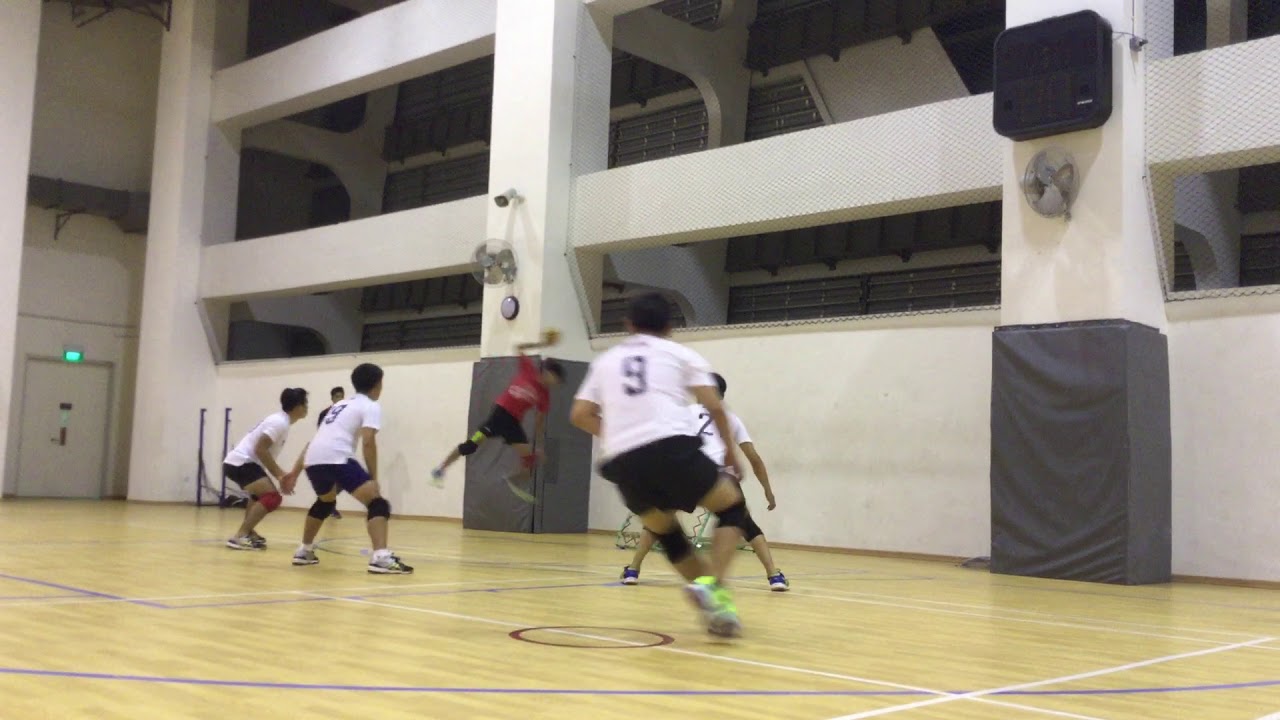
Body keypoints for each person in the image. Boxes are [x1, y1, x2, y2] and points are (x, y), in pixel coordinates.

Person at [570, 293, 749, 637]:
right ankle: (716, 586)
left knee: (667, 533)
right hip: (671, 449)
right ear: (669, 326)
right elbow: (714, 406)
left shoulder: (605, 361)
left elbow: (580, 415)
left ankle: (717, 608)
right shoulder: (680, 353)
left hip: (622, 463)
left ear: (628, 324)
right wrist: (729, 452)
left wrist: (619, 433)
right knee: (732, 507)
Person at [620, 372, 789, 591]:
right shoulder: (730, 418)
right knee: (744, 523)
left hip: (685, 472)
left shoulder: (685, 413)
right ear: (722, 395)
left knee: (660, 522)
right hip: (719, 475)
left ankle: (633, 570)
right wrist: (768, 490)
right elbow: (754, 459)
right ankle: (774, 576)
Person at [293, 363, 411, 574]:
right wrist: (373, 478)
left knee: (325, 502)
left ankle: (304, 551)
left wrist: (295, 472)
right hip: (337, 457)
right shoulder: (370, 405)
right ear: (377, 384)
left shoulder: (340, 405)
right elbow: (368, 442)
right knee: (377, 503)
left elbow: (318, 439)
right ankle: (381, 558)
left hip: (313, 459)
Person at [431, 329, 565, 502]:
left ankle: (512, 480)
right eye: (557, 379)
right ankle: (440, 469)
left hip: (513, 424)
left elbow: (539, 421)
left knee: (530, 459)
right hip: (498, 416)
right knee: (470, 446)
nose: (556, 383)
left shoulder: (544, 395)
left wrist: (538, 445)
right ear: (549, 373)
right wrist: (541, 344)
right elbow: (518, 347)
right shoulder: (528, 370)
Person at [222, 388, 309, 550]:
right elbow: (260, 449)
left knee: (257, 496)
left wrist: (280, 475)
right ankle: (240, 536)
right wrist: (280, 476)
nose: (307, 407)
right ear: (297, 406)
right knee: (272, 497)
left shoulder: (281, 421)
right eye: (305, 404)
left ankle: (248, 532)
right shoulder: (279, 422)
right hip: (241, 463)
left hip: (240, 463)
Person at [315, 386, 346, 519]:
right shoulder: (324, 414)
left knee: (343, 480)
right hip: (327, 451)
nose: (340, 399)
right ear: (332, 398)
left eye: (341, 396)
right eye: (337, 396)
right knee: (330, 480)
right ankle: (328, 506)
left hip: (341, 451)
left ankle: (327, 504)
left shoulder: (346, 412)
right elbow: (320, 432)